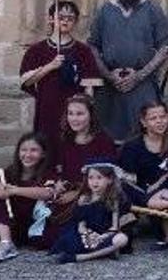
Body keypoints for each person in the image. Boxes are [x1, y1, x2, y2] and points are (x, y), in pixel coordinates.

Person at [89, 0, 168, 143]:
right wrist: (109, 76)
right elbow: (92, 46)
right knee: (108, 138)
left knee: (145, 136)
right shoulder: (105, 10)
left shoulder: (152, 8)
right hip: (111, 86)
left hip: (143, 84)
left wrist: (140, 75)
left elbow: (164, 48)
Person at [20, 1, 101, 153]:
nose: (65, 21)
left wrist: (87, 114)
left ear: (75, 22)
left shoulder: (83, 51)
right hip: (47, 110)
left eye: (70, 18)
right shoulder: (36, 50)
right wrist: (50, 66)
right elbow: (27, 81)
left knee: (72, 150)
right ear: (51, 19)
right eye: (61, 17)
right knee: (46, 150)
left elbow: (89, 87)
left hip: (74, 112)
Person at [0, 133, 56, 263]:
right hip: (7, 223)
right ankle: (4, 242)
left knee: (9, 196)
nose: (28, 155)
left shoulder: (47, 174)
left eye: (34, 150)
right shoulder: (10, 172)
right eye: (23, 150)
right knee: (0, 197)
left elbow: (48, 193)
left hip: (28, 225)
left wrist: (14, 191)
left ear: (43, 154)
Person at [51, 95, 118, 239]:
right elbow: (58, 168)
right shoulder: (65, 140)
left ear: (90, 115)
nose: (74, 119)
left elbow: (107, 176)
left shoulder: (103, 141)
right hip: (69, 193)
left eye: (80, 114)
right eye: (70, 113)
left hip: (96, 195)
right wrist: (58, 183)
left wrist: (78, 194)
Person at [49, 159, 133, 264]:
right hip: (86, 235)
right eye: (91, 178)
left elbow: (114, 226)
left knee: (122, 239)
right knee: (70, 240)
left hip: (104, 235)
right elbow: (81, 224)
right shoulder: (84, 198)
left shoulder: (114, 199)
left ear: (110, 180)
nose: (94, 182)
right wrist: (88, 234)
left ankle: (82, 257)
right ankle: (106, 251)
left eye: (99, 178)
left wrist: (101, 237)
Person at [118, 102, 168, 206]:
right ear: (143, 122)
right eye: (153, 118)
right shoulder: (132, 147)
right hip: (141, 198)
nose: (159, 121)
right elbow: (127, 182)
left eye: (162, 117)